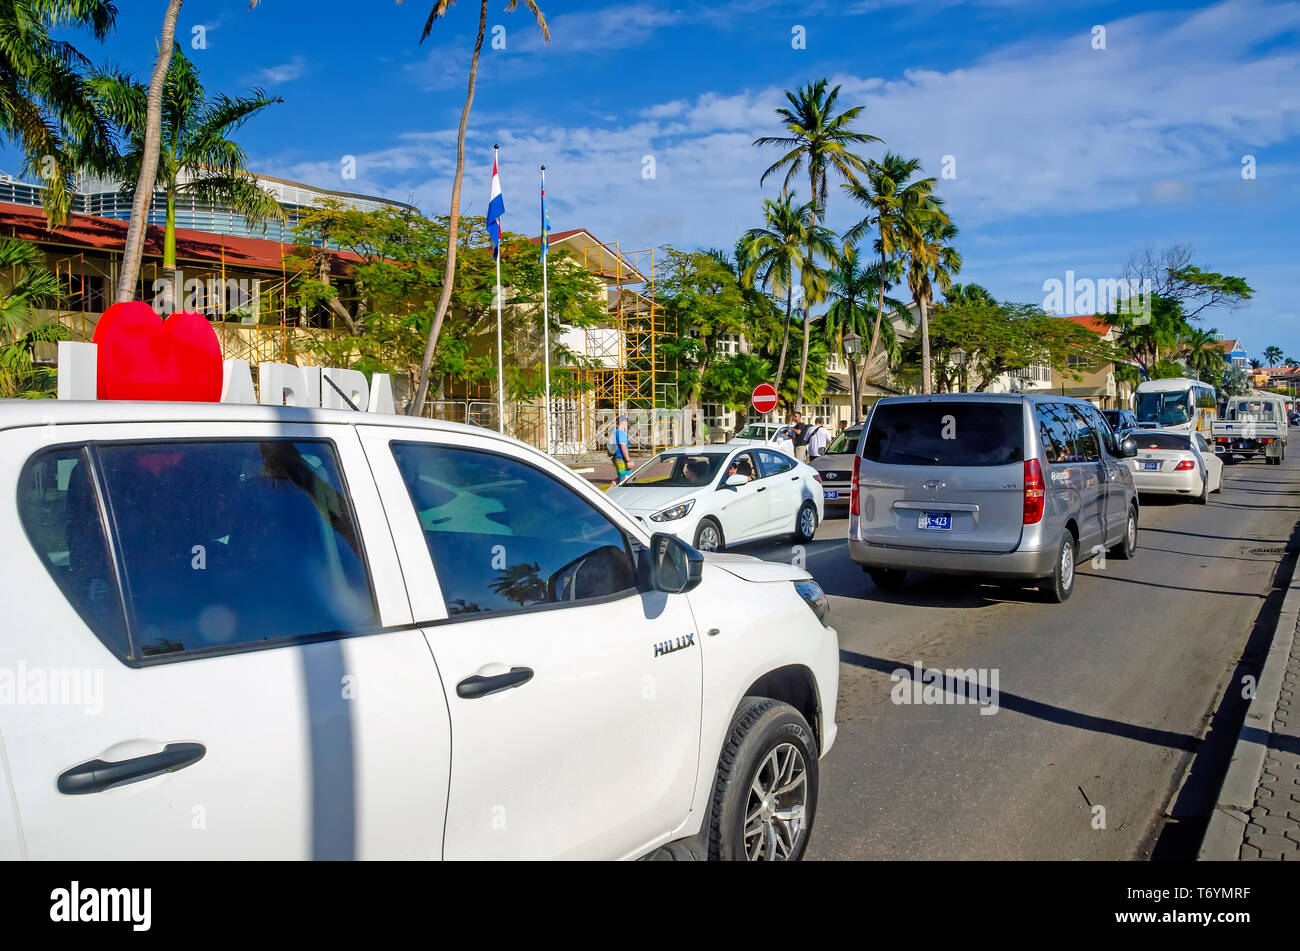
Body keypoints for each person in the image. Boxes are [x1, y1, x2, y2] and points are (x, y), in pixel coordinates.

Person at [607, 415, 632, 487]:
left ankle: (608, 491)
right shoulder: (621, 433)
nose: (627, 423)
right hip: (621, 459)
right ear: (623, 422)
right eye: (626, 421)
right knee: (626, 480)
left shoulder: (616, 432)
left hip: (617, 458)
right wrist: (628, 460)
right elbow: (623, 447)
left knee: (623, 478)